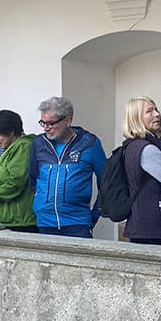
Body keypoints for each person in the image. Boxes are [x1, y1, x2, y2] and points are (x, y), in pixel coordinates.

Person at [28, 96, 106, 238]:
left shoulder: (90, 143)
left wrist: (94, 215)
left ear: (67, 121)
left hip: (78, 224)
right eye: (42, 123)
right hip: (45, 224)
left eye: (51, 123)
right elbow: (33, 179)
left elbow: (106, 183)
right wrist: (41, 208)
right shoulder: (38, 143)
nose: (46, 128)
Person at [120, 97, 161, 245]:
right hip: (153, 227)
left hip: (142, 223)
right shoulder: (147, 149)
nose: (157, 114)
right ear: (136, 119)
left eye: (156, 109)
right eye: (149, 111)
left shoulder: (131, 146)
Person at [0, 110, 37, 232]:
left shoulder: (23, 146)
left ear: (11, 132)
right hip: (9, 218)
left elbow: (15, 181)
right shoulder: (11, 148)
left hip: (20, 220)